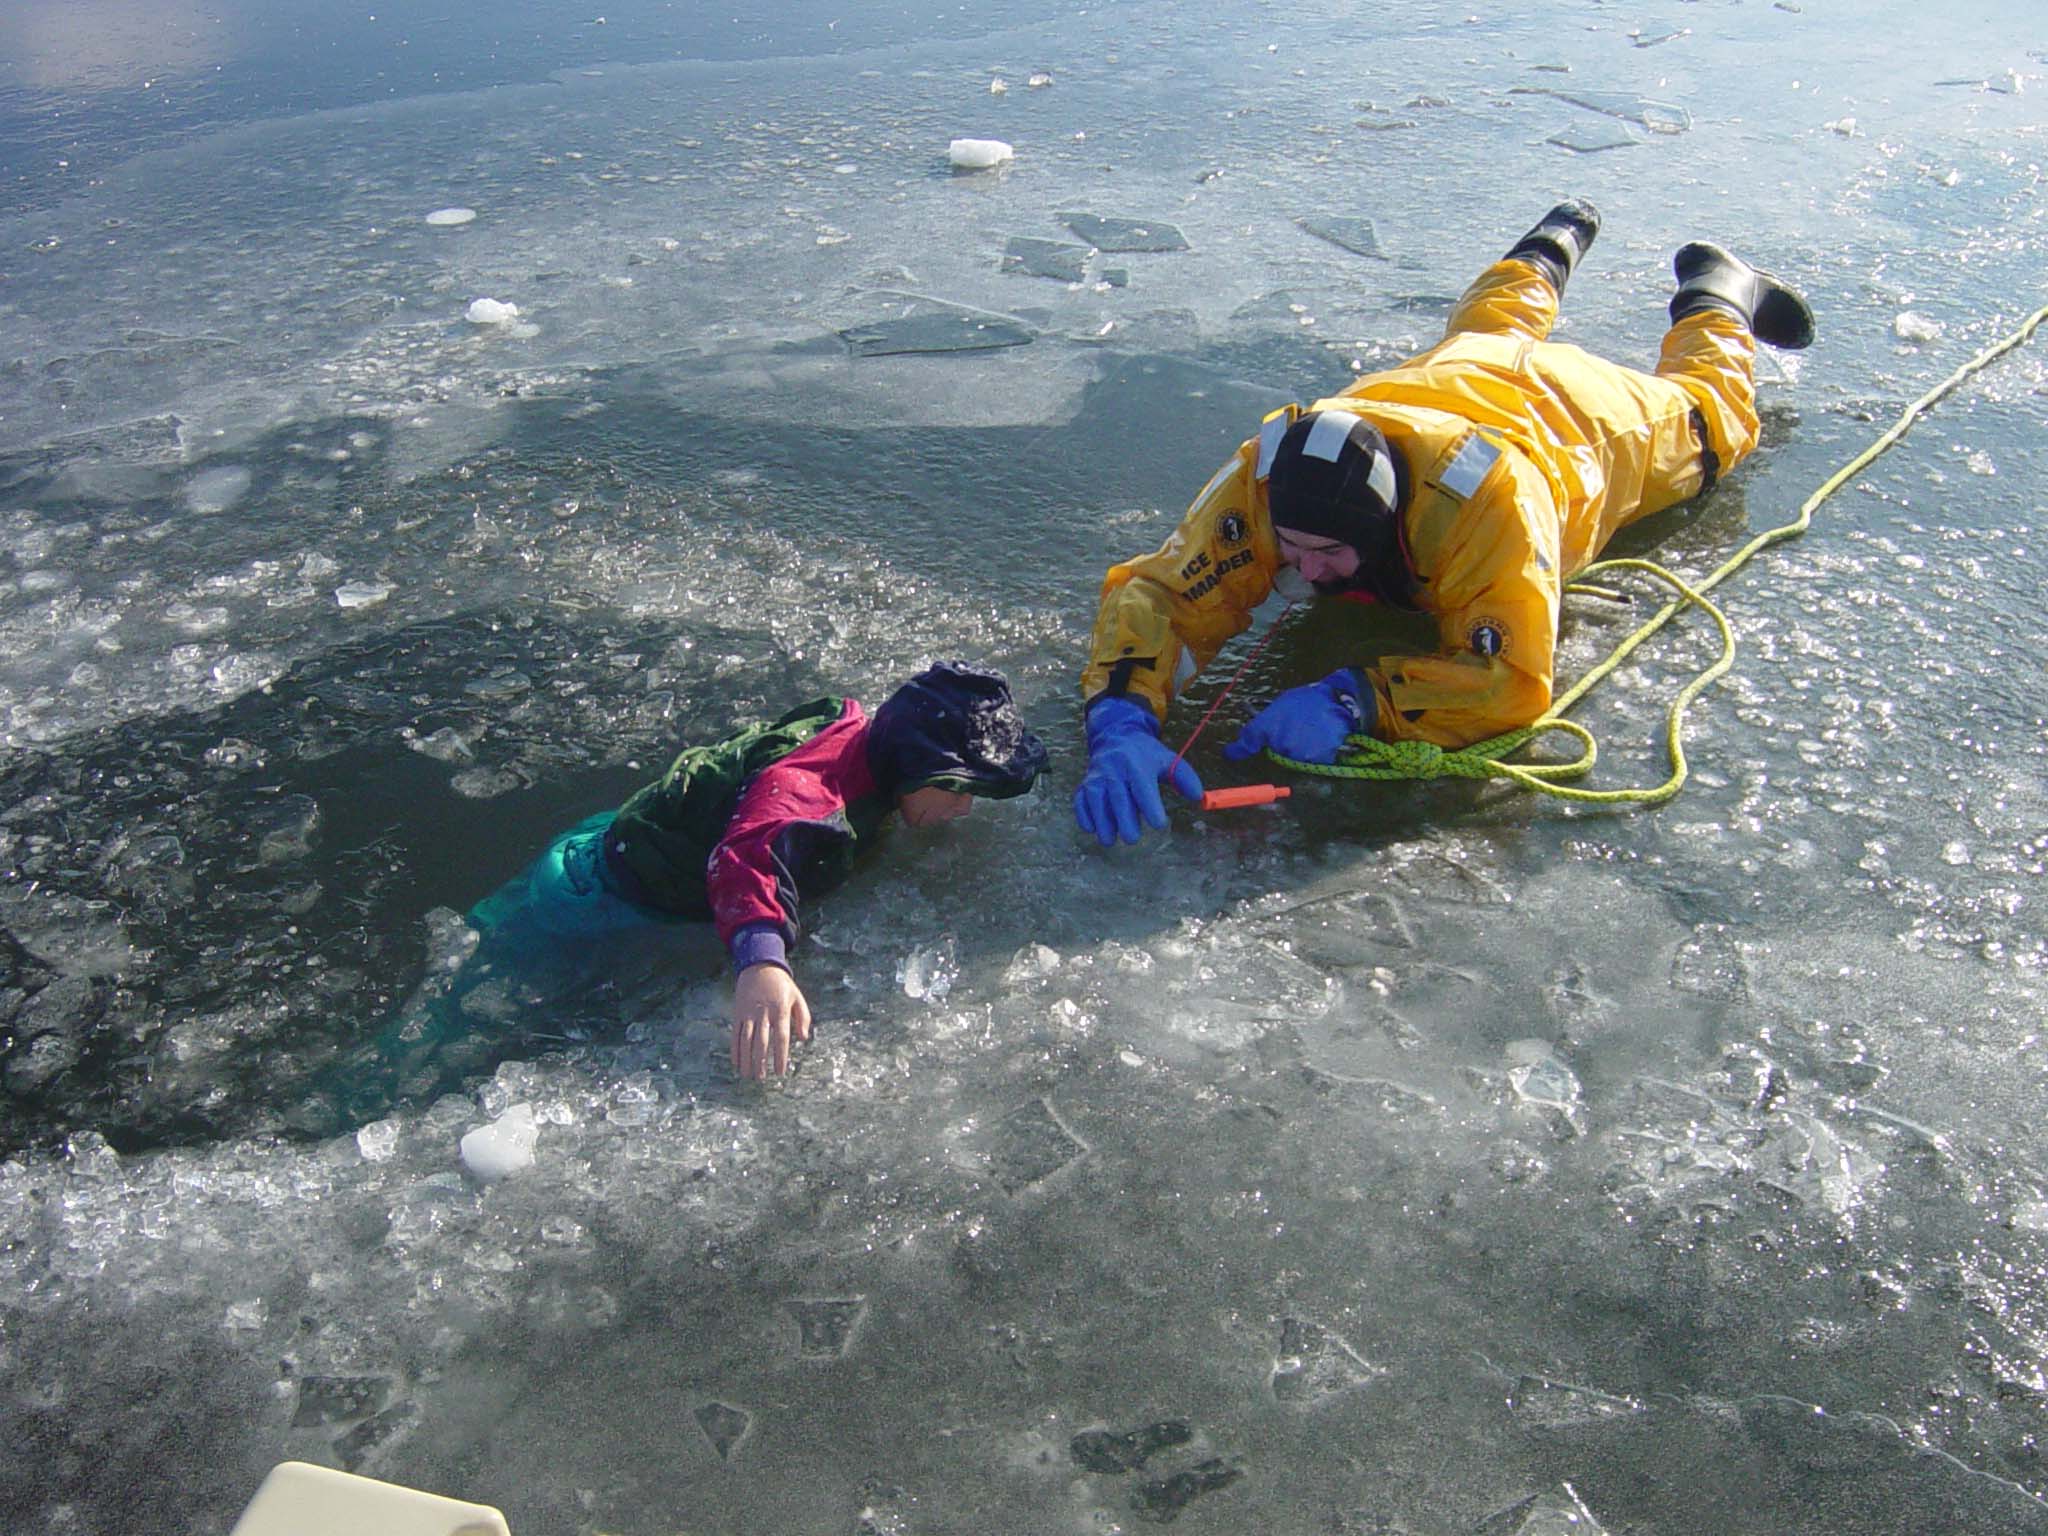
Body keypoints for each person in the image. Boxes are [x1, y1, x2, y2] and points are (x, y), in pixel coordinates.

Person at [1073, 198, 1815, 846]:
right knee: (1485, 332)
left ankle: (1719, 291)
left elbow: (1511, 677)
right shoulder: (1270, 478)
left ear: (1386, 526)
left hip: (1571, 418)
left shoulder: (1491, 511)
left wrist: (1358, 699)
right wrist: (1120, 723)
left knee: (1713, 422)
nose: (1305, 571)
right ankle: (1550, 244)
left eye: (1330, 553)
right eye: (1293, 550)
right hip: (1452, 374)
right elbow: (1161, 595)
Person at [371, 662, 1047, 1098]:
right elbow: (747, 855)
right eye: (954, 790)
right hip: (594, 895)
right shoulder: (805, 796)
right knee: (455, 1015)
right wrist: (761, 963)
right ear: (908, 760)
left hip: (633, 838)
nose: (962, 809)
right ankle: (363, 1088)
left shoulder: (866, 736)